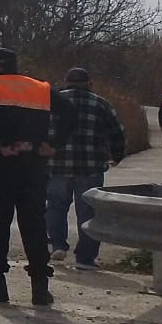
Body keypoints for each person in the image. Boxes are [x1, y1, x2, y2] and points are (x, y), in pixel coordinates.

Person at [0, 47, 53, 306]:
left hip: (0, 168)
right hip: (34, 168)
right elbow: (71, 112)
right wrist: (53, 142)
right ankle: (40, 289)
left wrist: (5, 142)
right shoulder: (40, 88)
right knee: (35, 226)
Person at [44, 68, 124, 271]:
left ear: (66, 81)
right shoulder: (101, 104)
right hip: (90, 167)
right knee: (89, 212)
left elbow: (38, 128)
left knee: (55, 207)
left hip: (57, 165)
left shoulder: (51, 102)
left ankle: (57, 245)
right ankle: (85, 258)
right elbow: (117, 132)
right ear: (90, 83)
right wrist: (117, 154)